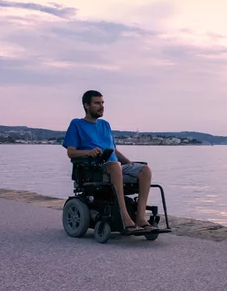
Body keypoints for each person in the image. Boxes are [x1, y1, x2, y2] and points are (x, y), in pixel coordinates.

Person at [62, 90, 157, 234]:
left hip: (114, 166)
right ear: (87, 105)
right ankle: (124, 217)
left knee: (145, 169)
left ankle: (141, 218)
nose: (101, 106)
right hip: (93, 169)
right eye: (97, 103)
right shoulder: (77, 124)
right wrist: (89, 152)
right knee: (115, 166)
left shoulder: (105, 125)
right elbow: (71, 152)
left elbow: (114, 151)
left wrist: (130, 163)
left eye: (102, 103)